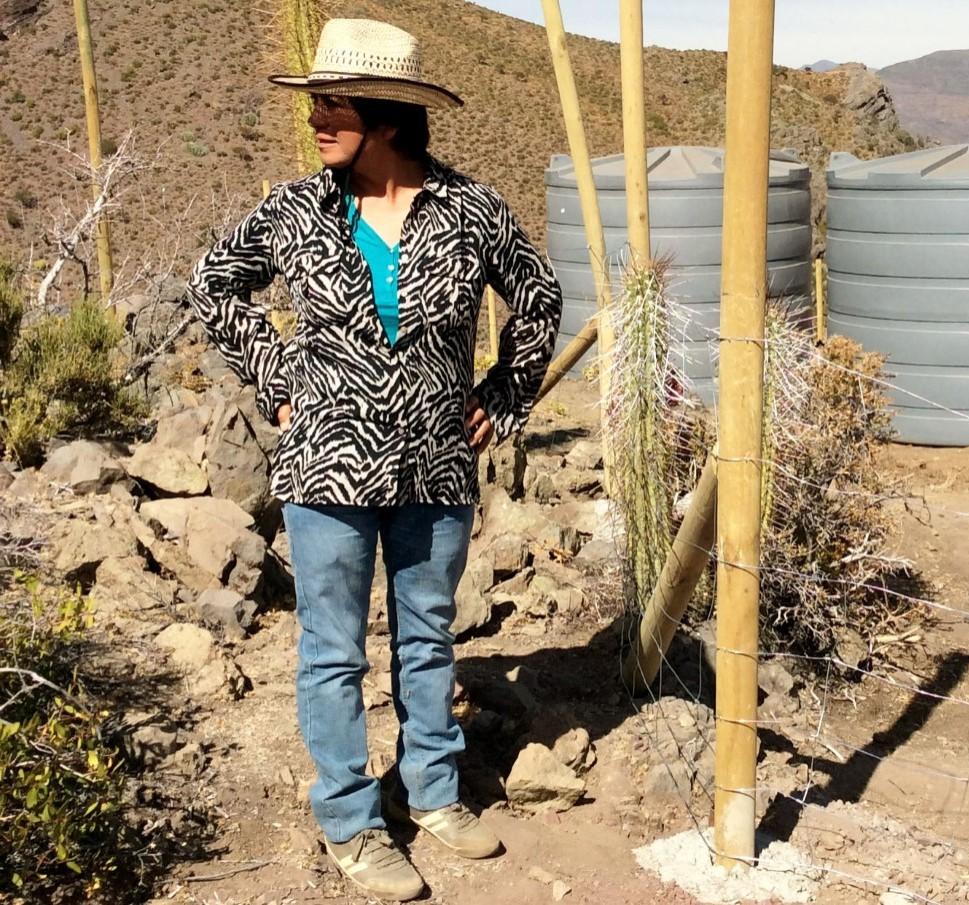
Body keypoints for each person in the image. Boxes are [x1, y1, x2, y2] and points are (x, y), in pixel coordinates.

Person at [184, 18, 563, 902]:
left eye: (335, 101)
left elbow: (538, 298)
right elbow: (215, 283)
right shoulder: (293, 211)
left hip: (434, 466)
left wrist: (504, 396)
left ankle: (433, 790)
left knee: (429, 636)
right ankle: (353, 820)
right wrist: (279, 376)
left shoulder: (470, 211)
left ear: (388, 114)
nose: (318, 117)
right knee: (331, 648)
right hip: (326, 467)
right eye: (316, 100)